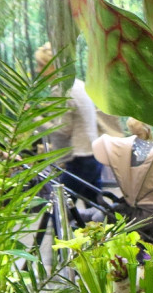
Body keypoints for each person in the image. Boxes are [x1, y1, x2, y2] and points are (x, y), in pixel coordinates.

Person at [34, 43, 104, 204]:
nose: (38, 70)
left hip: (81, 159)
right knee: (97, 208)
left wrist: (34, 118)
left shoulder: (62, 90)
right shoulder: (77, 84)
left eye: (42, 65)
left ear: (54, 66)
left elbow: (62, 130)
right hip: (93, 155)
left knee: (59, 209)